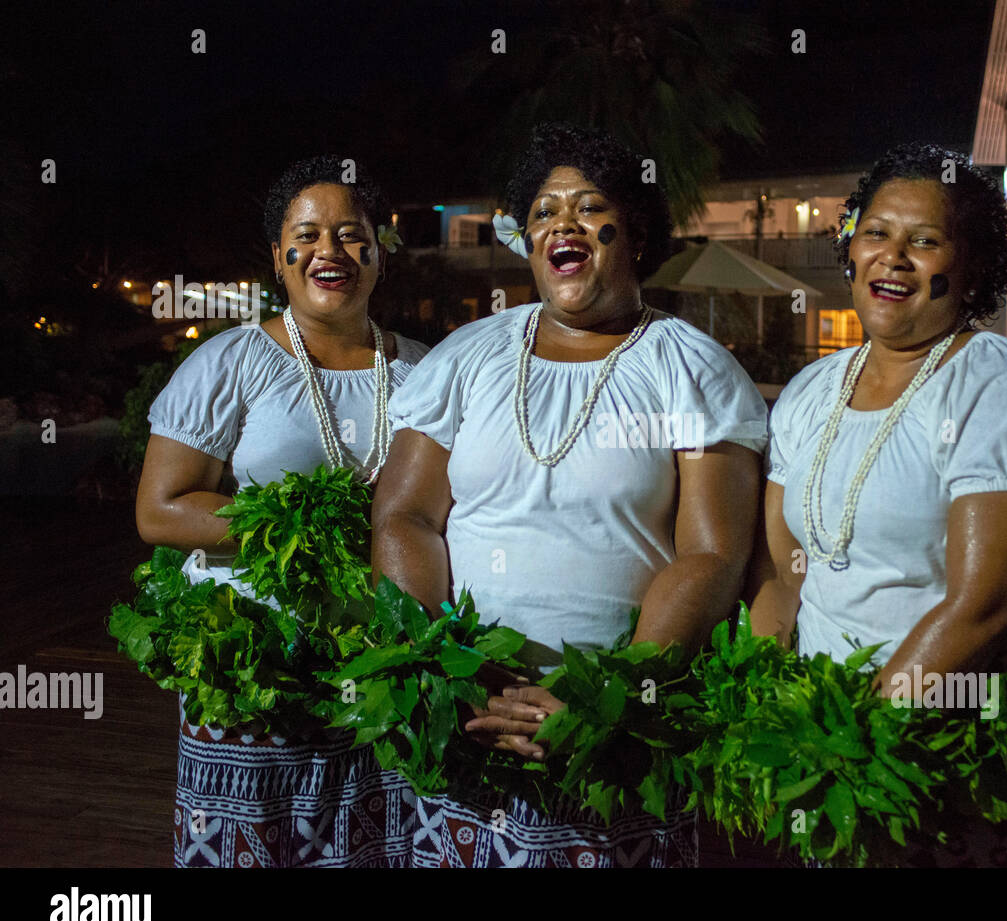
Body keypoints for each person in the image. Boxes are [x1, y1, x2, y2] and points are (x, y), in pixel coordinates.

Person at [371, 123, 767, 868]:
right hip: (464, 713)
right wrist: (442, 671)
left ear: (637, 235)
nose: (562, 223)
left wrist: (610, 699)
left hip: (618, 729)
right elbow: (407, 516)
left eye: (588, 208)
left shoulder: (693, 370)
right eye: (545, 211)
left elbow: (711, 552)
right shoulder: (467, 355)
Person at [747, 143, 1007, 866]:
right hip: (823, 752)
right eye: (876, 232)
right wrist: (774, 718)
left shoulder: (996, 384)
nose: (893, 256)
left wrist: (858, 745)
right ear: (850, 247)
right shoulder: (810, 391)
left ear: (973, 266)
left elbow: (983, 605)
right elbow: (782, 575)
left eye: (924, 240)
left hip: (941, 756)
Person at [135, 156, 429, 867]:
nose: (330, 249)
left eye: (351, 233)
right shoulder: (230, 362)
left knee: (368, 846)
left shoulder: (425, 370)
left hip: (377, 665)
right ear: (278, 257)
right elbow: (161, 509)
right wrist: (308, 530)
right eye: (308, 234)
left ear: (379, 254)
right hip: (251, 668)